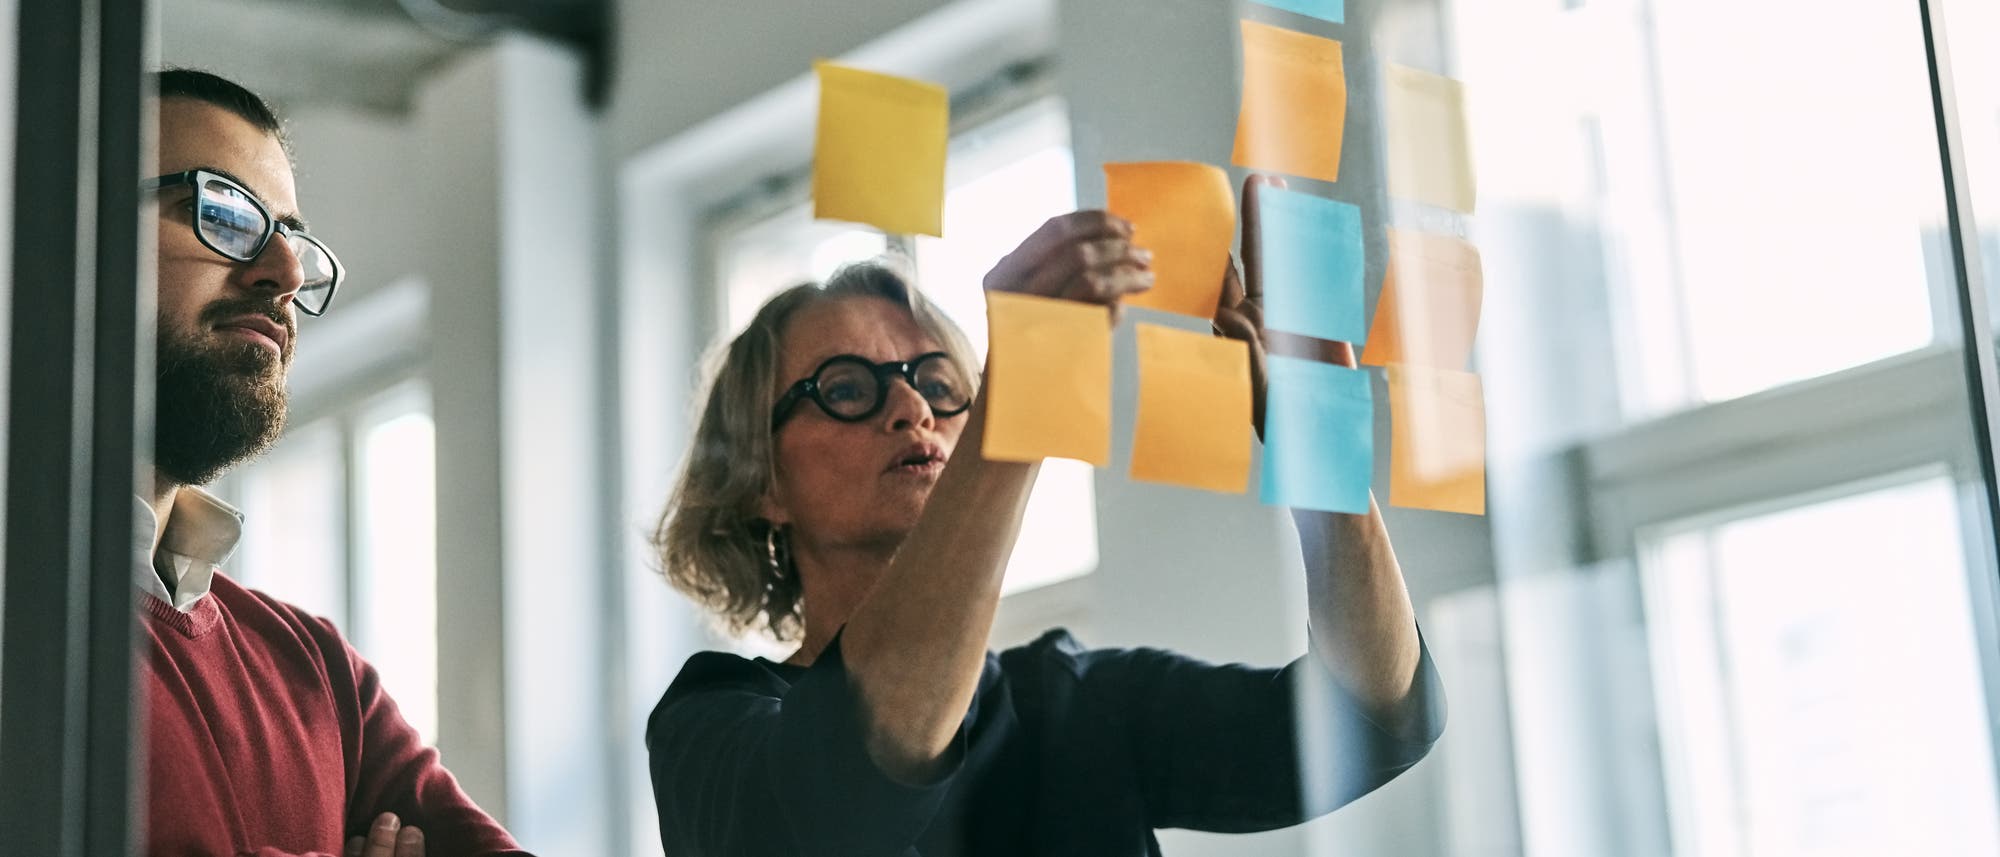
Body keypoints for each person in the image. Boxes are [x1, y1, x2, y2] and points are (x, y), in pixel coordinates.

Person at [646, 177, 1446, 856]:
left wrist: (1323, 460)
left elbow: (1374, 715)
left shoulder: (1075, 703)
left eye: (939, 383)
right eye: (847, 388)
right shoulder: (709, 723)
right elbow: (861, 766)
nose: (913, 407)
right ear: (762, 481)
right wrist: (1023, 400)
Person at [140, 68, 527, 857]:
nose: (284, 274)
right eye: (224, 212)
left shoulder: (317, 668)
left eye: (291, 239)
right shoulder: (23, 607)